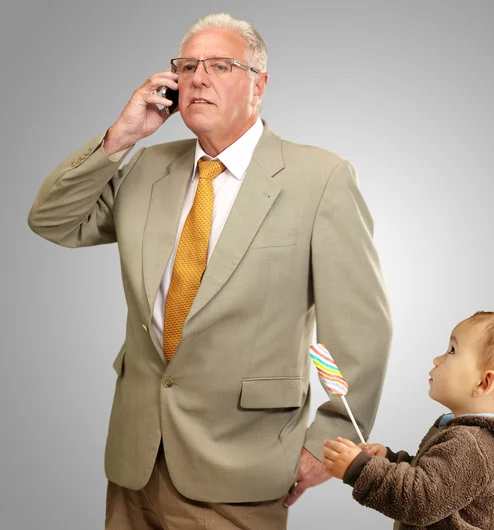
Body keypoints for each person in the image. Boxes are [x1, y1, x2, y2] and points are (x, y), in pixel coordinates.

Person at [27, 12, 392, 530]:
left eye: (220, 65)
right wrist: (121, 136)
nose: (198, 78)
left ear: (259, 85)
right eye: (187, 66)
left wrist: (329, 440)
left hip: (245, 466)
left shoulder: (321, 178)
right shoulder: (147, 167)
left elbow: (359, 329)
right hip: (136, 461)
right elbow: (52, 220)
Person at [323, 311, 494, 529]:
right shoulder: (469, 436)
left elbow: (421, 500)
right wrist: (390, 459)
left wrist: (360, 469)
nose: (437, 359)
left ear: (483, 383)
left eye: (452, 351)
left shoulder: (472, 444)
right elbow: (432, 475)